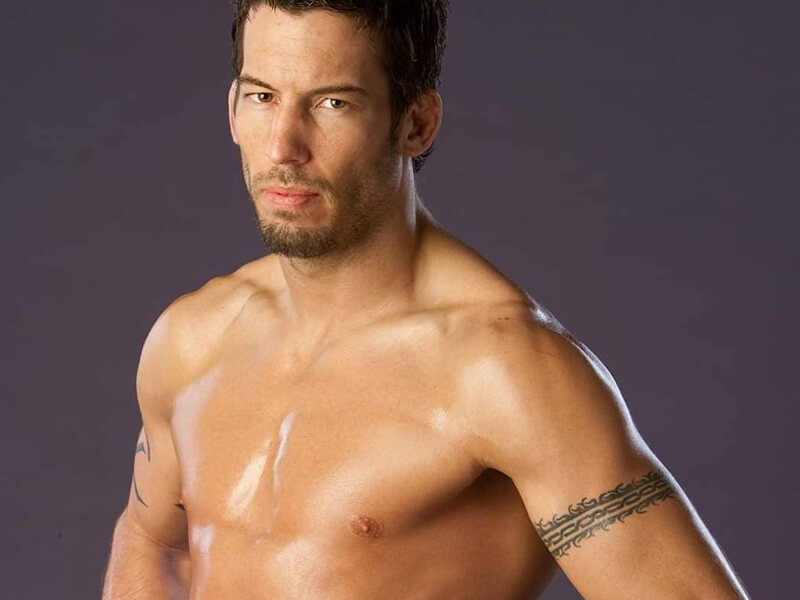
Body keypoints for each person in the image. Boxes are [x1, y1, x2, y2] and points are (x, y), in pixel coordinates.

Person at [102, 1, 750, 598]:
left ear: (416, 124)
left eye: (333, 103)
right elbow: (152, 540)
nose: (283, 146)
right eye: (263, 97)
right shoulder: (193, 338)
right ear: (232, 109)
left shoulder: (505, 370)